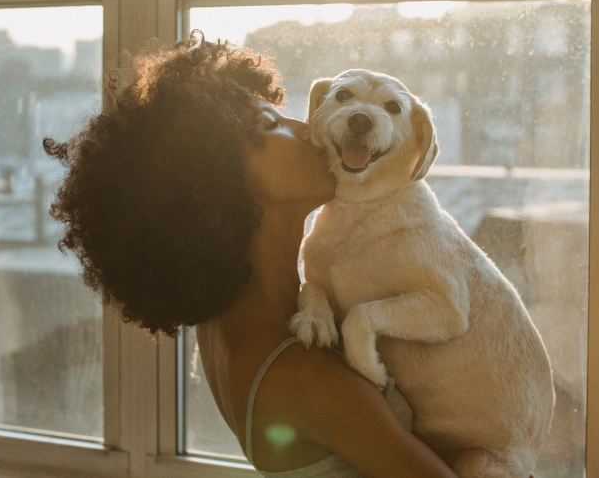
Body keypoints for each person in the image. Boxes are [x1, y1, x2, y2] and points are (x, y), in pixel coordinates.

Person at [43, 34, 458, 478]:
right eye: (270, 125)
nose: (304, 127)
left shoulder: (224, 327)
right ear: (217, 182)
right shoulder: (309, 382)